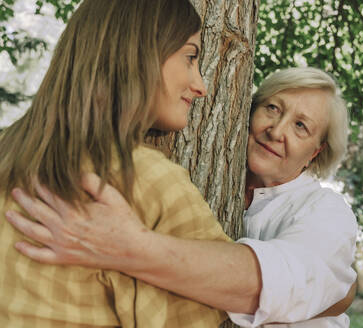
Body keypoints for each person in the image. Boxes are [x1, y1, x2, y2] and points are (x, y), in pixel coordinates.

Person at [7, 67, 358, 327]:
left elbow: (283, 284)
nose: (276, 130)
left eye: (301, 126)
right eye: (272, 108)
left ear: (315, 152)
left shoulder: (324, 211)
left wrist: (129, 249)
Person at [0, 0, 233, 326]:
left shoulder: (6, 151)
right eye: (190, 57)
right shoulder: (150, 180)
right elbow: (233, 297)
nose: (201, 87)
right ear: (140, 54)